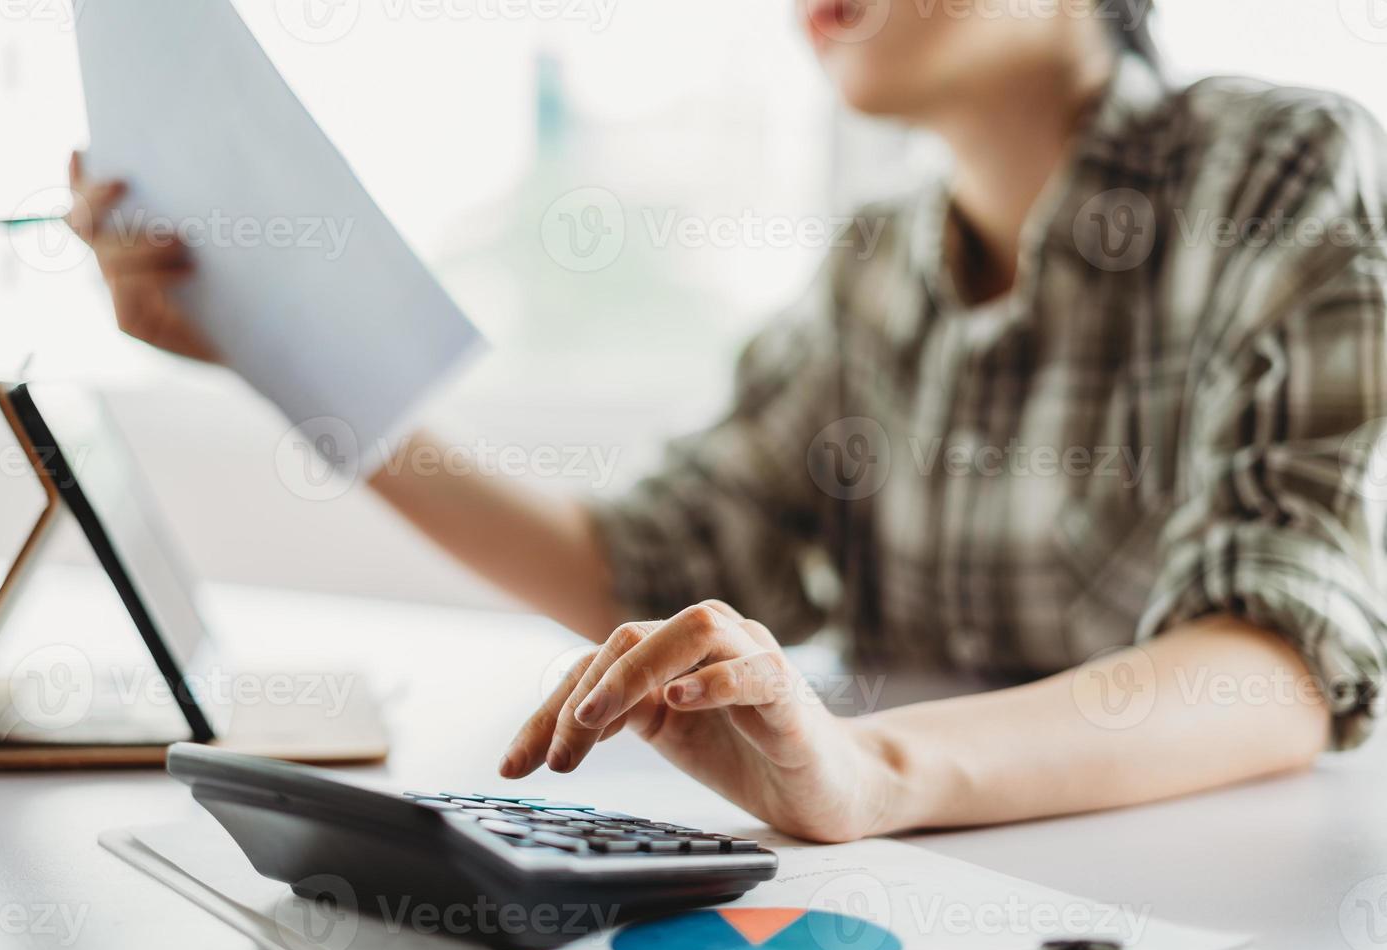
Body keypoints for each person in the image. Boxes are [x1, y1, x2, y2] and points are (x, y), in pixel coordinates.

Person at [68, 0, 1387, 843]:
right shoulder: (876, 267)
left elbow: (1275, 664)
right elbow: (644, 569)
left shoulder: (1279, 171)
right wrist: (270, 347)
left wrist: (872, 772)